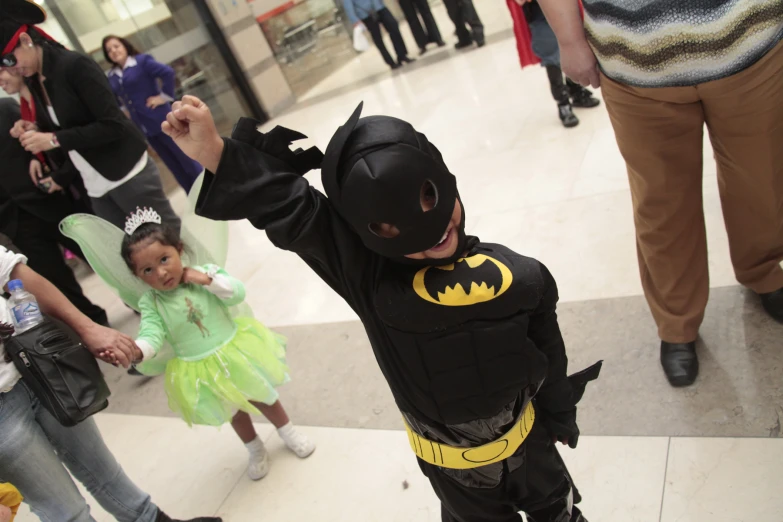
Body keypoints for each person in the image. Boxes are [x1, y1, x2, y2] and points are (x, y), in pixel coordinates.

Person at [162, 95, 601, 521]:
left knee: (559, 513)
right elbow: (295, 208)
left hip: (533, 446)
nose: (427, 229)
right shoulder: (369, 279)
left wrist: (560, 411)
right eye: (389, 224)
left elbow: (548, 347)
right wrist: (216, 152)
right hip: (460, 476)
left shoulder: (521, 274)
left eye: (430, 198)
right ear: (366, 231)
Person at [537, 0, 783, 386]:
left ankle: (763, 270)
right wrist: (569, 40)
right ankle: (677, 322)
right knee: (662, 203)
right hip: (632, 61)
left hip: (752, 42)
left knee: (762, 179)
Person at [61, 207, 316, 481]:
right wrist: (138, 350)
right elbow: (151, 334)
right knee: (233, 411)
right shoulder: (152, 302)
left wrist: (205, 280)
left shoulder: (203, 274)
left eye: (164, 259)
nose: (160, 273)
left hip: (235, 350)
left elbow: (236, 293)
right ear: (138, 277)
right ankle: (254, 447)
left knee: (264, 394)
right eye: (148, 269)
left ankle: (288, 431)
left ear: (179, 250)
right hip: (201, 368)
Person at [0, 239, 220, 522]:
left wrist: (88, 328)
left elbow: (11, 271)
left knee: (101, 467)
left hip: (32, 364)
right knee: (67, 511)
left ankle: (151, 519)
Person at [0, 5, 181, 233]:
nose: (11, 71)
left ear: (26, 40)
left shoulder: (74, 65)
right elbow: (63, 124)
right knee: (131, 256)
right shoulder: (35, 79)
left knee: (167, 240)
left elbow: (113, 124)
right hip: (94, 182)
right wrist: (33, 127)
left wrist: (53, 139)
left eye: (8, 61)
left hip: (126, 170)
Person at [0, 79, 108, 327]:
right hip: (15, 223)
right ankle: (97, 326)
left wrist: (38, 160)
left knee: (99, 255)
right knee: (58, 281)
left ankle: (141, 303)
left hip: (50, 200)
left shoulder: (6, 109)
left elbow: (41, 140)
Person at [103, 35, 203, 194]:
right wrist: (123, 110)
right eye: (109, 50)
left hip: (162, 120)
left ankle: (209, 192)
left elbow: (168, 72)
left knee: (186, 160)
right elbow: (114, 96)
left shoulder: (141, 61)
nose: (113, 51)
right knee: (173, 166)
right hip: (144, 129)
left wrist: (163, 97)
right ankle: (195, 199)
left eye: (116, 46)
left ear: (124, 46)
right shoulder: (112, 75)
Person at [506, 0, 599, 127]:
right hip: (538, 12)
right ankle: (563, 102)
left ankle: (576, 90)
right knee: (551, 56)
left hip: (565, 8)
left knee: (573, 45)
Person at [343, 0, 415, 69]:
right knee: (378, 39)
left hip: (380, 6)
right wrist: (354, 19)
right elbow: (347, 3)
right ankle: (391, 63)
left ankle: (401, 55)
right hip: (366, 14)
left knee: (394, 26)